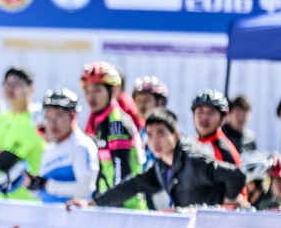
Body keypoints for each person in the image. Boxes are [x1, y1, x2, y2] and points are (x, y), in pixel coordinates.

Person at [69, 108, 245, 210]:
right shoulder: (162, 165)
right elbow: (133, 185)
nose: (155, 141)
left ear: (176, 135)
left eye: (161, 134)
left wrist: (227, 201)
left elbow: (236, 176)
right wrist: (93, 204)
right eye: (150, 135)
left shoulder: (193, 160)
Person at [81, 61, 147, 209]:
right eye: (87, 91)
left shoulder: (116, 124)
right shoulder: (102, 121)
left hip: (125, 209)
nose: (91, 97)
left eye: (97, 90)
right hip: (111, 206)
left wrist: (98, 204)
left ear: (113, 91)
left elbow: (121, 176)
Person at [0, 66, 45, 201]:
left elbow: (4, 161)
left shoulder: (35, 119)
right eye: (7, 84)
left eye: (16, 84)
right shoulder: (3, 117)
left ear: (31, 88)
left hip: (25, 201)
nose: (10, 88)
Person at [25, 89, 98, 203]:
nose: (52, 124)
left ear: (73, 116)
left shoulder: (82, 145)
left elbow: (86, 189)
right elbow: (42, 193)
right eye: (48, 118)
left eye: (59, 117)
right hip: (49, 218)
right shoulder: (48, 150)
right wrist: (34, 187)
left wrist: (48, 185)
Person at [191, 90, 241, 166]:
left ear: (223, 119)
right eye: (200, 111)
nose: (204, 117)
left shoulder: (224, 151)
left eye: (211, 112)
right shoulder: (192, 144)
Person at [132, 75, 169, 166]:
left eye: (147, 100)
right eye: (138, 100)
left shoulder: (169, 131)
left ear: (160, 102)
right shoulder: (141, 133)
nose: (142, 105)